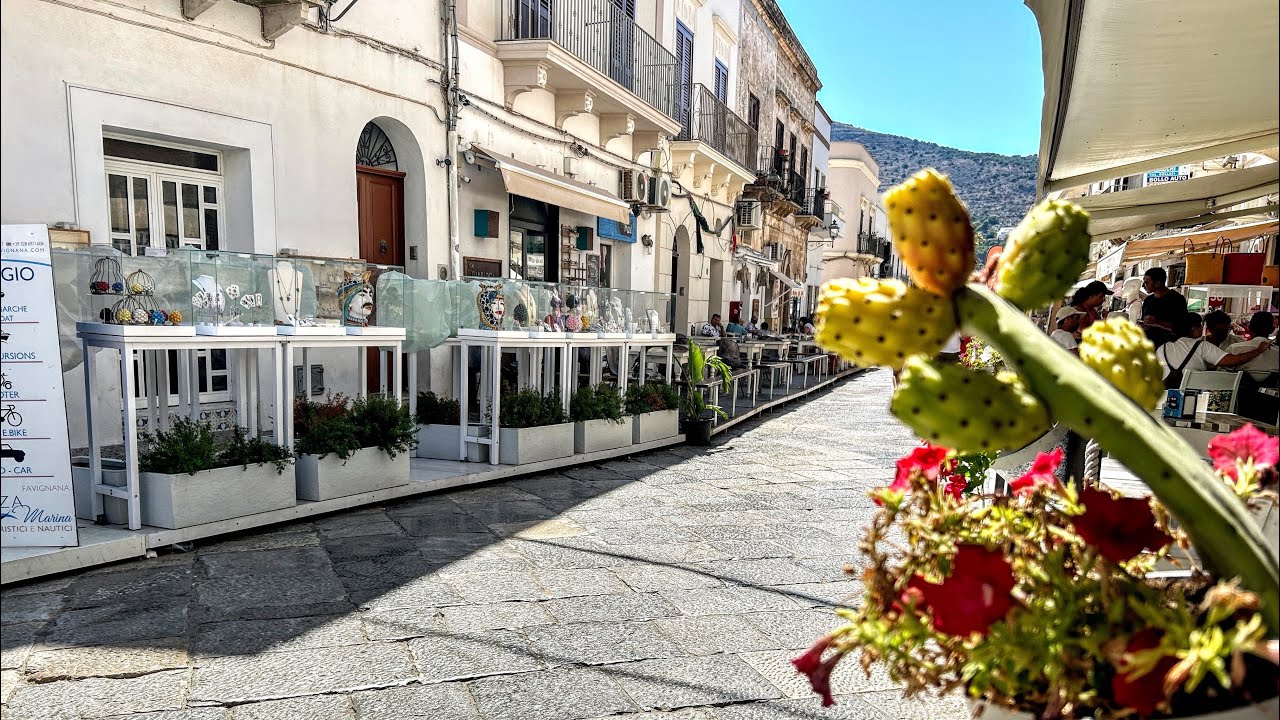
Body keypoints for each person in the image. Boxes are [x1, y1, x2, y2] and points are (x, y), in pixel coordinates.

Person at [1157, 312, 1272, 385]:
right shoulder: (1202, 346)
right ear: (1193, 328)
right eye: (1200, 325)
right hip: (1192, 393)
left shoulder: (1162, 347)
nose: (1202, 328)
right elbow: (1234, 361)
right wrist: (1258, 350)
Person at [1225, 311, 1279, 382]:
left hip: (1239, 388)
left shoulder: (1234, 349)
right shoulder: (1277, 352)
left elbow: (1223, 373)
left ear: (1250, 328)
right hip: (1271, 388)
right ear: (1272, 330)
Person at [1140, 267, 1187, 348]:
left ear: (1157, 283)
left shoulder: (1177, 300)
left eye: (1146, 283)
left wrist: (1157, 322)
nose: (1143, 286)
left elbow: (1182, 328)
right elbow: (1144, 322)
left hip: (1169, 348)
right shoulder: (1148, 300)